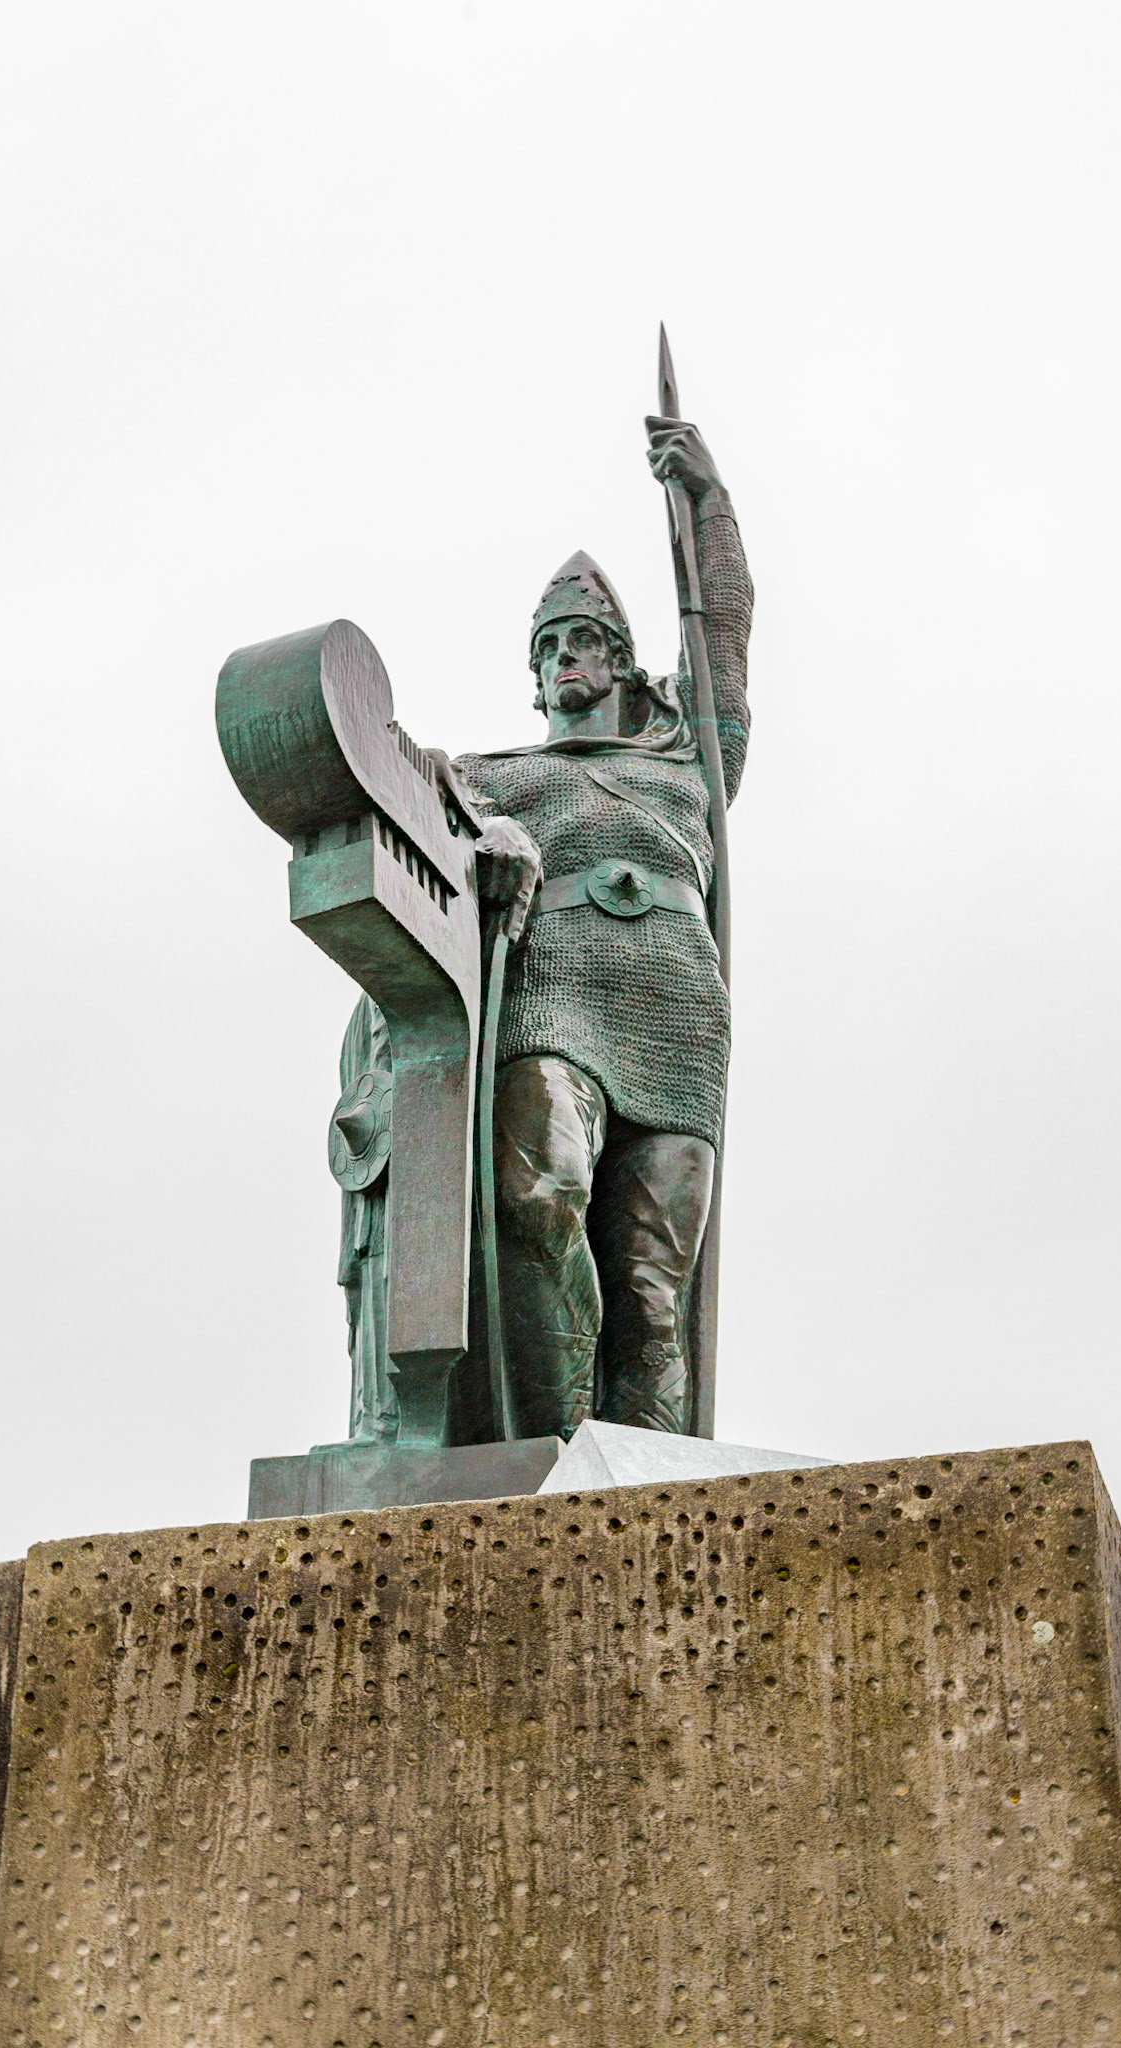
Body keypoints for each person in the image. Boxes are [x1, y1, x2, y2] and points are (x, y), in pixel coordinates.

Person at [447, 413, 753, 1439]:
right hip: (555, 990)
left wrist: (708, 503)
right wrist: (484, 830)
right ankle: (557, 1446)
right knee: (541, 1195)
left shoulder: (688, 764)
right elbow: (400, 790)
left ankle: (647, 1489)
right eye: (551, 649)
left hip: (675, 1005)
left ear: (622, 663)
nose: (566, 658)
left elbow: (723, 631)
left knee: (655, 1293)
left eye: (584, 642)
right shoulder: (494, 773)